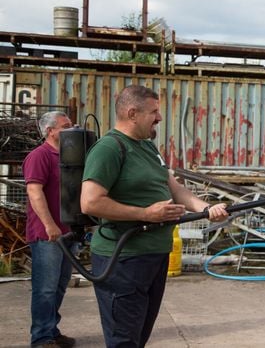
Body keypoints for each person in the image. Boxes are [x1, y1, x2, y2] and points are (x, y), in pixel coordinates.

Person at [81, 85, 228, 348]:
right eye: (154, 112)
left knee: (138, 337)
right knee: (123, 340)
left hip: (153, 256)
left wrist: (205, 208)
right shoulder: (109, 148)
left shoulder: (148, 148)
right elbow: (90, 202)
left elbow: (176, 189)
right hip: (123, 258)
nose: (159, 118)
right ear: (132, 113)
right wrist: (146, 214)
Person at [23, 111, 76, 348]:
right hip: (48, 234)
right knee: (45, 288)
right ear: (50, 131)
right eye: (65, 126)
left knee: (59, 285)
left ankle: (51, 330)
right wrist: (49, 225)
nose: (71, 129)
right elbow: (35, 193)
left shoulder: (68, 156)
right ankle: (41, 338)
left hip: (68, 231)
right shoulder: (39, 156)